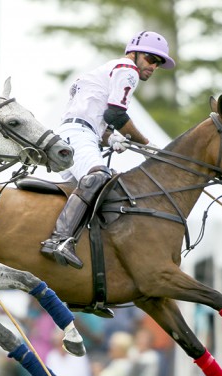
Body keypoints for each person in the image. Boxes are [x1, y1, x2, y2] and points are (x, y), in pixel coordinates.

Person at [40, 30, 175, 270]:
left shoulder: (108, 70)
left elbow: (94, 118)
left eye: (158, 63)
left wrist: (111, 137)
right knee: (99, 177)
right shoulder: (128, 70)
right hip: (78, 135)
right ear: (133, 53)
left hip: (77, 134)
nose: (153, 67)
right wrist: (147, 145)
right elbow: (115, 113)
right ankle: (60, 240)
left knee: (94, 199)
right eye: (150, 59)